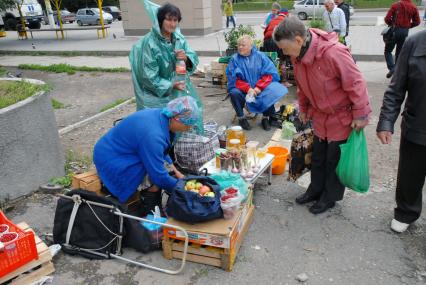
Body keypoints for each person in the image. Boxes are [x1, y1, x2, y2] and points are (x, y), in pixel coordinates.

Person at [273, 16, 371, 214]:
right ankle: (315, 189)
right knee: (318, 157)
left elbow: (356, 83)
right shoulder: (298, 56)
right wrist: (304, 108)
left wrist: (361, 115)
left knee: (333, 160)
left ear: (299, 40)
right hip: (320, 116)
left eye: (284, 48)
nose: (283, 53)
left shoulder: (334, 53)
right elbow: (303, 86)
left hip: (341, 116)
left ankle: (329, 196)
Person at [93, 96, 200, 216]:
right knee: (154, 177)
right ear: (176, 118)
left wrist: (177, 173)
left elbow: (162, 152)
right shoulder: (153, 135)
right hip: (112, 159)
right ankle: (150, 211)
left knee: (162, 171)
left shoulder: (161, 116)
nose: (188, 129)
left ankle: (154, 207)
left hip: (119, 149)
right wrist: (183, 189)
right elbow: (159, 176)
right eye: (187, 125)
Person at [376, 30, 426, 233]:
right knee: (410, 175)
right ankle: (406, 211)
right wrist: (386, 122)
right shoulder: (414, 43)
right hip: (418, 126)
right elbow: (396, 88)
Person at [129, 0, 203, 130]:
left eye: (175, 20)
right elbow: (148, 77)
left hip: (178, 90)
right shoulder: (149, 43)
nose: (172, 24)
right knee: (159, 128)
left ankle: (177, 148)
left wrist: (186, 58)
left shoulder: (178, 38)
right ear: (160, 20)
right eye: (169, 20)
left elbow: (193, 57)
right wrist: (171, 85)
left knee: (181, 125)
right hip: (155, 97)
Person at [226, 35, 288, 131]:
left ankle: (265, 118)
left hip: (259, 89)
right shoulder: (234, 59)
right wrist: (248, 88)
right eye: (239, 45)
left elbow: (269, 74)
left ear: (251, 46)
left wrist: (258, 88)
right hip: (243, 90)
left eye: (243, 45)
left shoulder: (261, 57)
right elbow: (233, 78)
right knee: (234, 93)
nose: (240, 47)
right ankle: (241, 118)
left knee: (272, 90)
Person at [383, 0, 420, 78]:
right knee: (399, 52)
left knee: (388, 51)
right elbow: (417, 22)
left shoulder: (395, 5)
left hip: (394, 31)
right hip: (405, 32)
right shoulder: (413, 7)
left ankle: (392, 68)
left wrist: (392, 24)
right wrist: (408, 26)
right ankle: (397, 71)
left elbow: (387, 19)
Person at [263, 8, 293, 88]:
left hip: (267, 41)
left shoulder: (273, 20)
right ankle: (284, 81)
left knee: (271, 61)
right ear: (286, 14)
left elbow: (265, 32)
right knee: (282, 61)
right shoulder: (286, 21)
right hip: (277, 41)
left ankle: (271, 81)